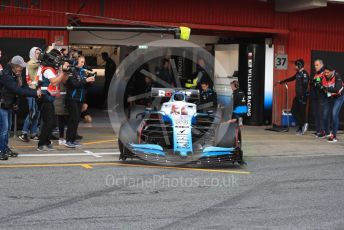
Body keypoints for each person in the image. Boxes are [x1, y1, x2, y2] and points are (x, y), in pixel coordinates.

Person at [0, 56, 41, 160]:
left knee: (7, 129)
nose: (21, 70)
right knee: (3, 129)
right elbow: (17, 90)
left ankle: (5, 149)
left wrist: (34, 92)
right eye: (20, 68)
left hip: (8, 105)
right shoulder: (6, 75)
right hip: (2, 105)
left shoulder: (15, 75)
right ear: (14, 66)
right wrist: (35, 93)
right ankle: (1, 150)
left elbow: (22, 87)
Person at [37, 49, 69, 151]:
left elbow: (63, 80)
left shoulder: (52, 69)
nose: (58, 61)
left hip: (49, 98)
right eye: (57, 59)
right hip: (45, 98)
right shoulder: (47, 69)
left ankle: (46, 142)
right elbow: (54, 82)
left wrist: (65, 71)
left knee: (50, 122)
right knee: (48, 122)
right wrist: (62, 72)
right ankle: (41, 144)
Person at [65, 56, 95, 148]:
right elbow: (74, 84)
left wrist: (90, 82)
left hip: (80, 99)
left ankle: (73, 139)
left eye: (84, 62)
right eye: (81, 62)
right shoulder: (71, 71)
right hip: (72, 98)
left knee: (77, 119)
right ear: (76, 62)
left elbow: (84, 87)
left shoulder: (83, 72)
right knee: (73, 119)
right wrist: (86, 80)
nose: (83, 64)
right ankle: (68, 140)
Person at [279, 59, 310, 135]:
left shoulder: (305, 74)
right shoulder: (298, 73)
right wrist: (283, 81)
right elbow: (292, 78)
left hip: (302, 96)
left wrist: (303, 96)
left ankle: (304, 125)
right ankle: (301, 126)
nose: (295, 67)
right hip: (298, 96)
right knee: (294, 110)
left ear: (299, 65)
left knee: (301, 112)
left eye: (296, 65)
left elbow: (305, 86)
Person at [19, 47, 42, 142]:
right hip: (31, 91)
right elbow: (39, 65)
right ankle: (24, 133)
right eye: (37, 53)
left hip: (38, 90)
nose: (38, 55)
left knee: (37, 113)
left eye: (39, 53)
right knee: (32, 113)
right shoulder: (30, 63)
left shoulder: (38, 63)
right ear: (32, 54)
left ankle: (33, 133)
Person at [321, 66, 344, 143]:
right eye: (325, 72)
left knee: (334, 114)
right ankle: (327, 132)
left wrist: (325, 88)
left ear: (332, 72)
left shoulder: (337, 76)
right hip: (330, 96)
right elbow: (318, 80)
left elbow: (337, 89)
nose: (326, 74)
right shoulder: (324, 76)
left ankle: (333, 136)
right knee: (325, 114)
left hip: (339, 97)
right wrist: (317, 82)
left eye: (328, 72)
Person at [309, 59, 326, 137]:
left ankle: (322, 131)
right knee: (315, 114)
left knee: (320, 114)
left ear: (321, 65)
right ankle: (318, 130)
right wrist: (314, 81)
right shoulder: (316, 73)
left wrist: (314, 81)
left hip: (321, 97)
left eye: (317, 65)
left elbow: (320, 80)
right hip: (314, 96)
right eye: (315, 65)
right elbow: (313, 81)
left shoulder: (324, 72)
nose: (315, 66)